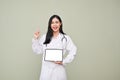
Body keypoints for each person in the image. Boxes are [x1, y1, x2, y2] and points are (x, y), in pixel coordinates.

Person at [32, 15, 77, 80]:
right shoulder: (44, 37)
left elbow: (73, 50)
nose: (54, 25)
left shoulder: (65, 38)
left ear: (60, 23)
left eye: (56, 22)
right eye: (52, 23)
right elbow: (37, 51)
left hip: (59, 72)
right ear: (50, 25)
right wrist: (35, 39)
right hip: (46, 72)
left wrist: (64, 61)